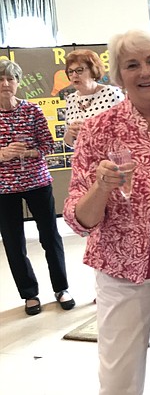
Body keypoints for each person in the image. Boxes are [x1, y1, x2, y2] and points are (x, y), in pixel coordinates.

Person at [63, 30, 150, 395]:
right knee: (120, 378)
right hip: (121, 273)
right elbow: (78, 219)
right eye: (132, 65)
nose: (145, 72)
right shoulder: (97, 129)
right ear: (118, 77)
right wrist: (101, 187)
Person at [0, 60, 75, 316]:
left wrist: (30, 151)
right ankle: (29, 294)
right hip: (3, 189)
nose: (5, 84)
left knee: (50, 236)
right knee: (13, 243)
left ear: (18, 82)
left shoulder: (32, 110)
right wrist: (3, 154)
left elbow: (49, 145)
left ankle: (62, 288)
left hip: (37, 182)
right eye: (1, 79)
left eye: (10, 79)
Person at [63, 49, 125, 147]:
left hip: (110, 157)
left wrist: (91, 132)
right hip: (83, 158)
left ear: (93, 71)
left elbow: (126, 131)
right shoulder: (71, 99)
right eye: (70, 71)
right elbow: (69, 143)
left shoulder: (111, 94)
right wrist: (70, 133)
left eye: (79, 70)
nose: (74, 75)